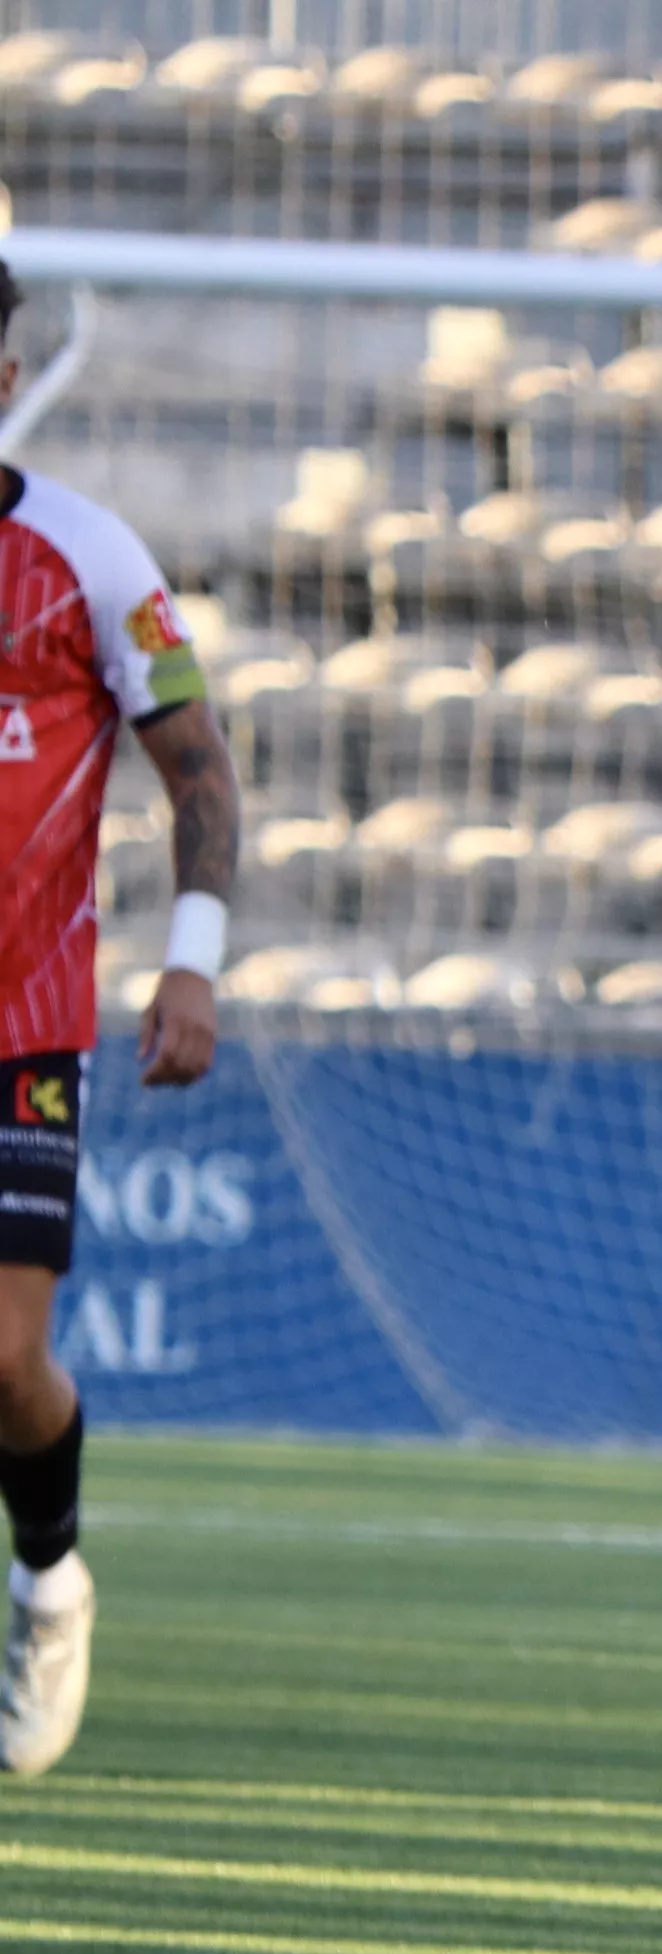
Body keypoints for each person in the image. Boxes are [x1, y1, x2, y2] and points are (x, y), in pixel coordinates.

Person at [0, 257, 244, 1776]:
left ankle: (51, 1579)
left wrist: (194, 958)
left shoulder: (86, 558)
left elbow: (203, 772)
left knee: (1, 1362)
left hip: (22, 1029)